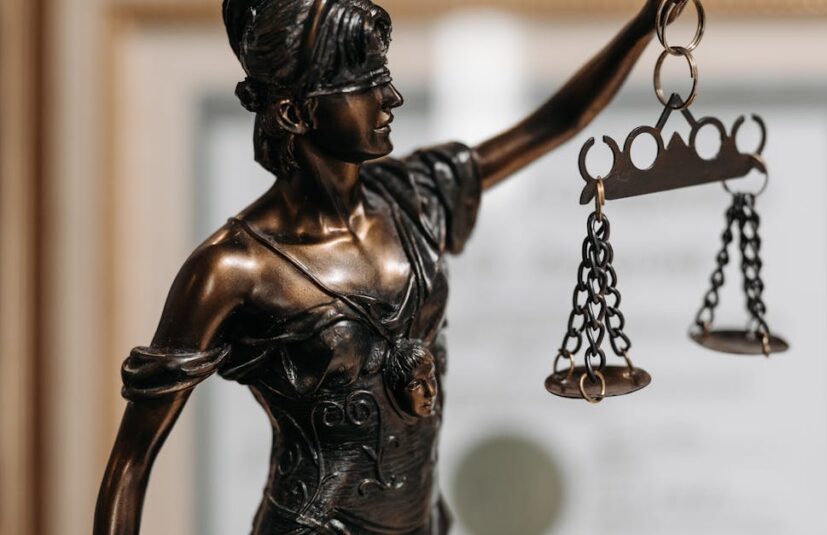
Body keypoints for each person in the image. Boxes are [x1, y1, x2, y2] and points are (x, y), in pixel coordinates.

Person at [94, 0, 671, 533]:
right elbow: (131, 462)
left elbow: (553, 124)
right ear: (295, 110)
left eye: (383, 77)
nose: (390, 96)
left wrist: (647, 23)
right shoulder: (232, 269)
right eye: (364, 85)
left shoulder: (414, 197)